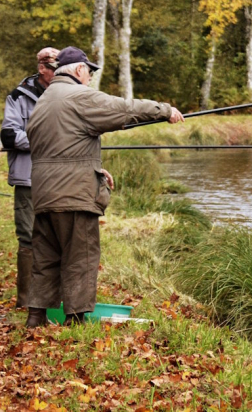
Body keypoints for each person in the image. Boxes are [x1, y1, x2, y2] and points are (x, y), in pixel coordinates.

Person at [24, 46, 183, 327]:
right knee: (80, 257)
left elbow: (60, 146)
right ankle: (75, 320)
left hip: (43, 193)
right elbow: (123, 109)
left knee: (45, 257)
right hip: (74, 194)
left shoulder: (45, 100)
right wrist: (164, 110)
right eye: (90, 72)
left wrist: (95, 167)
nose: (90, 79)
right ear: (78, 70)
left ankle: (35, 317)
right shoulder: (78, 95)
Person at [0, 47, 60, 309]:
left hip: (60, 179)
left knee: (58, 238)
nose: (45, 70)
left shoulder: (68, 94)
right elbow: (8, 136)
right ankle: (25, 302)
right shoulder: (18, 96)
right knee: (28, 238)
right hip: (28, 179)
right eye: (45, 66)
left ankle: (54, 299)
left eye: (51, 65)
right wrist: (44, 141)